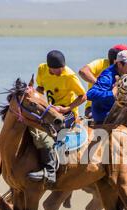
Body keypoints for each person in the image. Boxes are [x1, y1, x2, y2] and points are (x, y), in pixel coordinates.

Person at [28, 50, 86, 183]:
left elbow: (83, 96)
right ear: (49, 68)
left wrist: (67, 108)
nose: (60, 71)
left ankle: (50, 171)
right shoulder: (42, 69)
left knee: (54, 130)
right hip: (49, 110)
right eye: (57, 70)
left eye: (62, 68)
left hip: (67, 112)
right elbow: (41, 88)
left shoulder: (69, 76)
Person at [79, 44, 127, 118]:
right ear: (117, 61)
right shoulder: (101, 63)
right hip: (94, 108)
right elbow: (83, 71)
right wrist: (100, 85)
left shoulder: (126, 68)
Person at [86, 50, 127, 124]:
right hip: (105, 117)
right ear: (119, 64)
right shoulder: (107, 77)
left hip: (119, 113)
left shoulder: (125, 72)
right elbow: (90, 94)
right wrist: (112, 93)